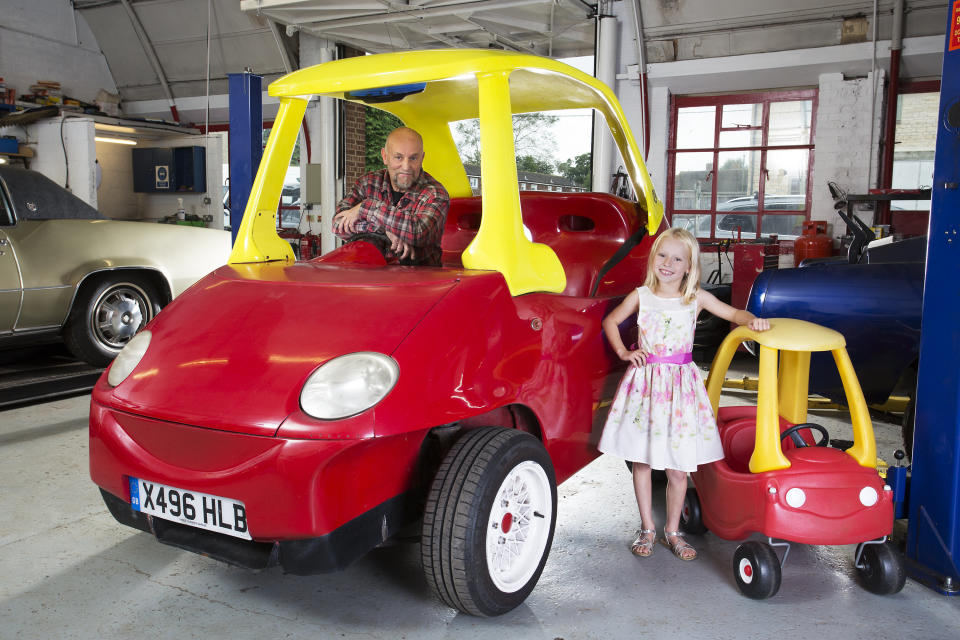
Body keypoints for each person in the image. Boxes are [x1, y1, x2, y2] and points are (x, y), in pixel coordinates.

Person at [598, 227, 770, 561]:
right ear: (653, 259)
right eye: (662, 255)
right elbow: (611, 322)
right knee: (644, 460)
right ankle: (647, 527)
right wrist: (623, 353)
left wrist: (755, 321)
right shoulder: (641, 295)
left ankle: (672, 530)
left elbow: (735, 314)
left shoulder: (695, 299)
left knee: (679, 468)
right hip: (647, 387)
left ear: (689, 267)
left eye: (677, 258)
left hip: (680, 389)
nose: (668, 263)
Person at [333, 126, 449, 266]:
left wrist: (366, 208)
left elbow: (418, 233)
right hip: (368, 278)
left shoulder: (435, 193)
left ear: (422, 158)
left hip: (419, 280)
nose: (406, 166)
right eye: (398, 157)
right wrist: (386, 231)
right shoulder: (367, 183)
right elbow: (338, 224)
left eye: (413, 158)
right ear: (385, 156)